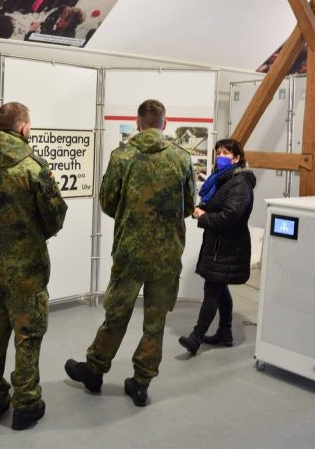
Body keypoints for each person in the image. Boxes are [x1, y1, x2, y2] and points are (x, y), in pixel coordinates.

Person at [65, 99, 195, 407]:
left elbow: (108, 201)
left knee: (116, 314)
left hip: (129, 252)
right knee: (155, 322)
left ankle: (95, 370)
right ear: (164, 123)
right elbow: (189, 205)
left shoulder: (122, 156)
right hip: (166, 255)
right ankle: (141, 382)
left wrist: (131, 215)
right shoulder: (181, 159)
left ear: (137, 123)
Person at [0, 102, 67, 429]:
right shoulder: (34, 167)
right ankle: (25, 404)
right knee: (27, 337)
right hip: (27, 274)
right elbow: (54, 217)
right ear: (23, 127)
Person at [177, 139, 256, 354]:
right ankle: (225, 332)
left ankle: (196, 338)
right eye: (219, 152)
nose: (221, 156)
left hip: (228, 245)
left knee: (212, 290)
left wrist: (204, 217)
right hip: (220, 243)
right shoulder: (224, 179)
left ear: (237, 158)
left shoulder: (240, 183)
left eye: (226, 153)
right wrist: (202, 208)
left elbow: (231, 216)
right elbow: (218, 204)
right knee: (220, 289)